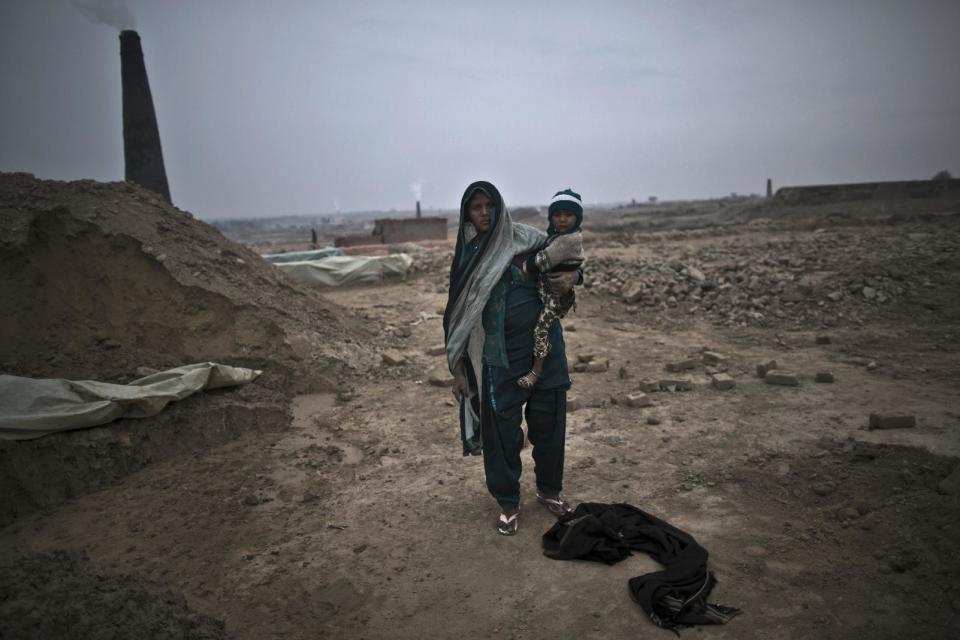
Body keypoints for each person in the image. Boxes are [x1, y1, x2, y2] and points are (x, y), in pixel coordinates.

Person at [442, 181, 581, 536]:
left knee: (550, 426)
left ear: (500, 206)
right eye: (477, 207)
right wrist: (459, 372)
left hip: (545, 351)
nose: (485, 212)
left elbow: (568, 257)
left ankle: (549, 491)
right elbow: (457, 318)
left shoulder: (527, 238)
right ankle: (508, 501)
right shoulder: (469, 256)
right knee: (502, 435)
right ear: (467, 214)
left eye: (490, 205)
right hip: (498, 358)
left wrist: (575, 276)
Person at [517, 188, 585, 389]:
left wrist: (519, 262)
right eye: (557, 215)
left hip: (554, 296)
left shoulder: (568, 240)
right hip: (547, 292)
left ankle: (535, 371)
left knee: (541, 330)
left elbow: (541, 261)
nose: (562, 219)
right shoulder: (557, 237)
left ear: (578, 217)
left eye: (568, 214)